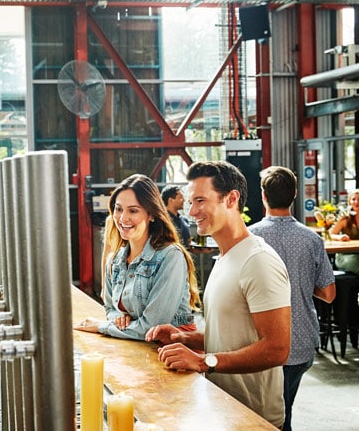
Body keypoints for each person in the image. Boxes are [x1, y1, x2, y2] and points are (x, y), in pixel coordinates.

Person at [145, 160, 291, 428]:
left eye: (200, 200)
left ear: (231, 199)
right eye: (190, 201)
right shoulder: (225, 257)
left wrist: (203, 361)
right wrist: (184, 338)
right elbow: (232, 335)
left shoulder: (258, 261)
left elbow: (277, 349)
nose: (191, 211)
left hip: (254, 418)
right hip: (223, 409)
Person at [248, 166, 335, 431]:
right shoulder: (312, 238)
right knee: (284, 409)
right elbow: (329, 294)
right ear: (295, 194)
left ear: (263, 196)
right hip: (300, 340)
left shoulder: (250, 237)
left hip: (260, 341)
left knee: (268, 415)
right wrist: (301, 283)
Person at [75, 174, 200, 341]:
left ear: (152, 215)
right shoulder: (115, 260)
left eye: (133, 210)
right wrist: (117, 318)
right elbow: (110, 307)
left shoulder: (170, 257)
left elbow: (151, 329)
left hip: (176, 350)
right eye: (118, 209)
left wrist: (101, 326)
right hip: (137, 346)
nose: (122, 218)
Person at [330, 188, 359, 275]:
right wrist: (339, 237)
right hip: (345, 256)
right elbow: (330, 234)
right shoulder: (345, 218)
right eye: (353, 199)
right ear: (349, 201)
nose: (356, 202)